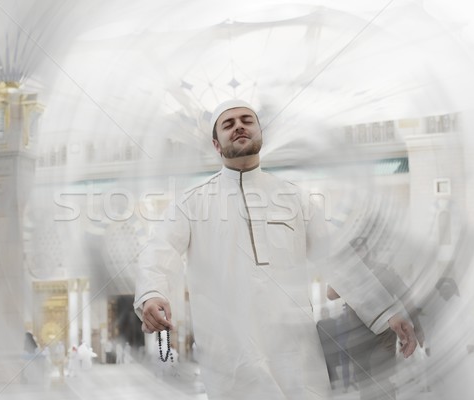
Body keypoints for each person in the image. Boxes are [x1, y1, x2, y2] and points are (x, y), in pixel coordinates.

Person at [134, 99, 418, 399]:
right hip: (231, 351)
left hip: (295, 348)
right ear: (217, 146)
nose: (239, 126)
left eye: (246, 120)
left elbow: (336, 258)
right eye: (228, 124)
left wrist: (387, 311)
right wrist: (152, 294)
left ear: (260, 134)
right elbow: (159, 250)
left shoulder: (294, 198)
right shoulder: (191, 203)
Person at [327, 237, 424, 400]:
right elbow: (330, 294)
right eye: (354, 249)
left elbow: (407, 299)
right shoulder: (347, 277)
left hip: (382, 337)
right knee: (365, 388)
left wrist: (418, 328)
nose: (359, 252)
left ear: (369, 250)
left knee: (382, 381)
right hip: (357, 340)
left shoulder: (383, 271)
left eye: (362, 248)